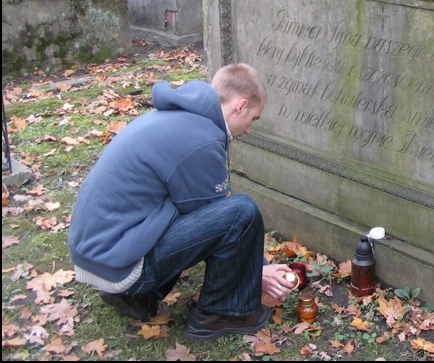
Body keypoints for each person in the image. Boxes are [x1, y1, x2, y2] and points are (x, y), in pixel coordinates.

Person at [67, 63, 297, 340]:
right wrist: (258, 269)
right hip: (116, 263)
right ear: (241, 106)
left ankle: (138, 296)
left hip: (96, 253)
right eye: (253, 119)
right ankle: (221, 314)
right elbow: (222, 213)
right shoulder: (201, 139)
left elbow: (201, 208)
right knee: (241, 212)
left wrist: (257, 266)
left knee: (196, 207)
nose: (249, 129)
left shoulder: (179, 117)